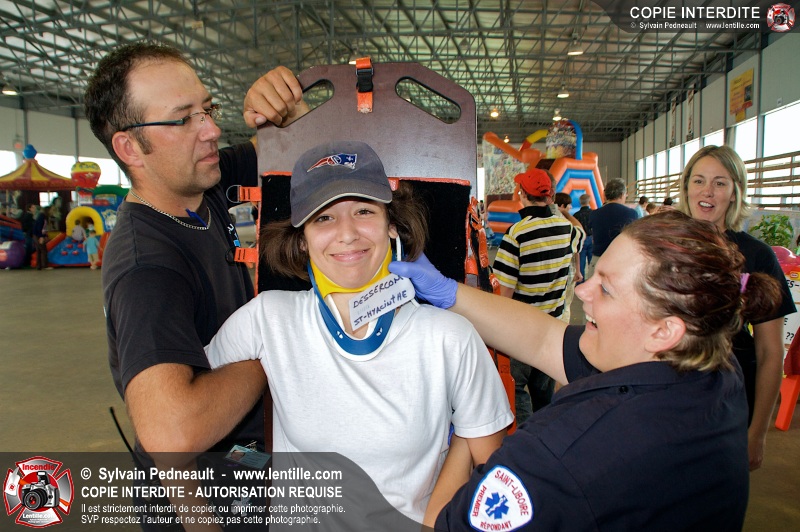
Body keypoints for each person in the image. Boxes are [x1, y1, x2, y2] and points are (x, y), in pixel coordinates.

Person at [390, 210, 783, 530]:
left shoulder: (560, 454)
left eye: (606, 289)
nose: (581, 291)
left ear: (665, 330)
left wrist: (468, 432)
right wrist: (449, 292)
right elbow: (545, 340)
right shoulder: (714, 365)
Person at [205, 140, 512, 526]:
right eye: (323, 218)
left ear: (392, 224)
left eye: (364, 210)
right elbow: (191, 417)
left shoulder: (449, 338)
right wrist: (253, 472)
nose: (347, 233)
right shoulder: (267, 320)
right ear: (302, 239)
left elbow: (492, 476)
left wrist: (434, 519)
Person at [85, 41, 310, 528]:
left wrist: (288, 107)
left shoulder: (202, 185)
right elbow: (171, 432)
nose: (211, 130)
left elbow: (299, 147)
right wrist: (273, 346)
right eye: (183, 119)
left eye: (207, 109)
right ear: (129, 148)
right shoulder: (147, 268)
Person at [678, 144, 795, 471]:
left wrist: (758, 433)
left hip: (729, 400)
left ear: (735, 192)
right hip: (666, 395)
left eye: (720, 183)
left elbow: (770, 351)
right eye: (699, 180)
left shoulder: (756, 256)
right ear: (686, 187)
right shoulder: (664, 246)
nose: (707, 191)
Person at [492, 169, 583, 422]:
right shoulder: (567, 230)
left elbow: (504, 292)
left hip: (522, 327)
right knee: (544, 391)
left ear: (522, 194)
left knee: (518, 389)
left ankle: (525, 435)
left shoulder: (517, 233)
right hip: (552, 326)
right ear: (550, 196)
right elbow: (580, 233)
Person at [586, 177, 637, 279]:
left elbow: (591, 232)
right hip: (621, 260)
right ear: (622, 194)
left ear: (605, 195)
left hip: (599, 258)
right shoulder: (631, 213)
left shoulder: (594, 214)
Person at [554, 192, 584, 324]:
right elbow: (578, 244)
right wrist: (578, 270)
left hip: (554, 270)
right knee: (566, 304)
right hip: (568, 269)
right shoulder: (568, 224)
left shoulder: (547, 222)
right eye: (569, 205)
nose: (571, 207)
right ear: (562, 206)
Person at [572, 193, 592, 281]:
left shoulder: (576, 215)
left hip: (580, 240)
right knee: (592, 263)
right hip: (592, 238)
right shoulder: (593, 213)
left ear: (580, 202)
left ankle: (580, 282)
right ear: (589, 201)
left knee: (580, 263)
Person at [32, 204, 51, 270]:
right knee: (43, 250)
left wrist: (45, 235)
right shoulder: (42, 217)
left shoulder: (41, 216)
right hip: (38, 235)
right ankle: (44, 265)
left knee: (39, 250)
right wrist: (41, 236)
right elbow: (40, 227)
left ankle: (39, 266)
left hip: (36, 235)